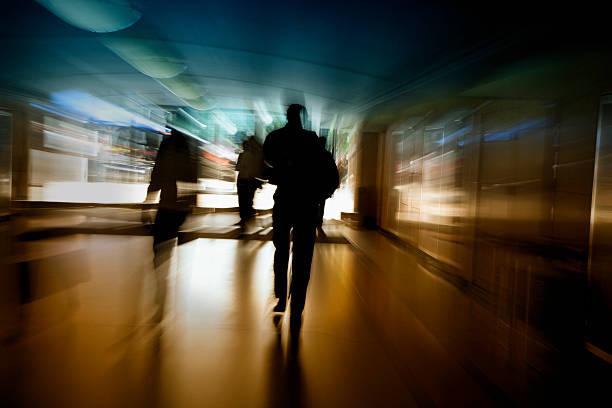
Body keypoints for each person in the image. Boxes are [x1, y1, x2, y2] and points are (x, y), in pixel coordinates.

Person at [263, 104, 339, 331]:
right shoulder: (314, 143)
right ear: (304, 119)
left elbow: (267, 165)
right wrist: (319, 196)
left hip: (284, 201)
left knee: (281, 250)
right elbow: (332, 176)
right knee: (303, 256)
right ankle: (297, 303)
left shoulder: (275, 139)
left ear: (287, 117)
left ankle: (280, 297)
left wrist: (281, 172)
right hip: (306, 205)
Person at [144, 127, 198, 322]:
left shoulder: (166, 147)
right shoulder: (186, 151)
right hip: (177, 209)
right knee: (165, 249)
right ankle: (163, 284)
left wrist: (148, 202)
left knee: (159, 250)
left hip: (166, 207)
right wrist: (189, 208)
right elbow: (192, 181)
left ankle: (161, 288)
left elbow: (157, 175)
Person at [235, 135, 264, 226]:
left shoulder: (243, 155)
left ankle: (245, 217)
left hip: (243, 179)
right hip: (250, 180)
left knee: (243, 200)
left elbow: (238, 168)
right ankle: (247, 215)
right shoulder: (257, 155)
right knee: (247, 199)